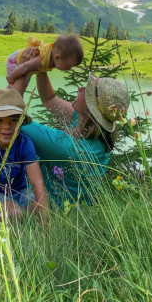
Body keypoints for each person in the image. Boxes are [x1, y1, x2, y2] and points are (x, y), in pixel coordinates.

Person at [20, 71, 130, 205]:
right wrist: (41, 67)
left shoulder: (73, 149)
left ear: (91, 107)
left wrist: (23, 73)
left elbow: (14, 119)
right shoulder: (90, 126)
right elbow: (49, 99)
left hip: (53, 212)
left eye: (87, 91)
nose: (80, 89)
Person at [0, 88, 48, 223]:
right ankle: (4, 224)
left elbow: (37, 183)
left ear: (21, 122)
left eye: (13, 120)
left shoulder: (24, 143)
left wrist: (45, 221)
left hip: (21, 193)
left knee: (39, 208)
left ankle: (26, 225)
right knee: (14, 212)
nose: (7, 126)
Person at [6, 34, 83, 94]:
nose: (69, 69)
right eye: (68, 66)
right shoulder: (42, 58)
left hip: (24, 66)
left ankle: (9, 100)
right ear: (57, 57)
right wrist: (12, 76)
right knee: (16, 88)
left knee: (21, 88)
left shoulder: (53, 58)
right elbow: (25, 66)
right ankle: (6, 98)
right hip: (15, 61)